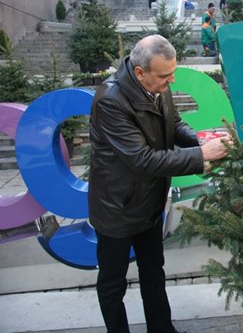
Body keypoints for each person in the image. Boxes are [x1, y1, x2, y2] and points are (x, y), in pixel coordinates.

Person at [88, 34, 231, 333]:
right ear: (140, 73)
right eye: (165, 75)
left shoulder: (158, 83)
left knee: (153, 272)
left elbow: (174, 124)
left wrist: (204, 140)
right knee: (113, 284)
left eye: (173, 71)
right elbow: (142, 160)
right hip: (118, 208)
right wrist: (201, 154)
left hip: (151, 202)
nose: (172, 80)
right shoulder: (110, 101)